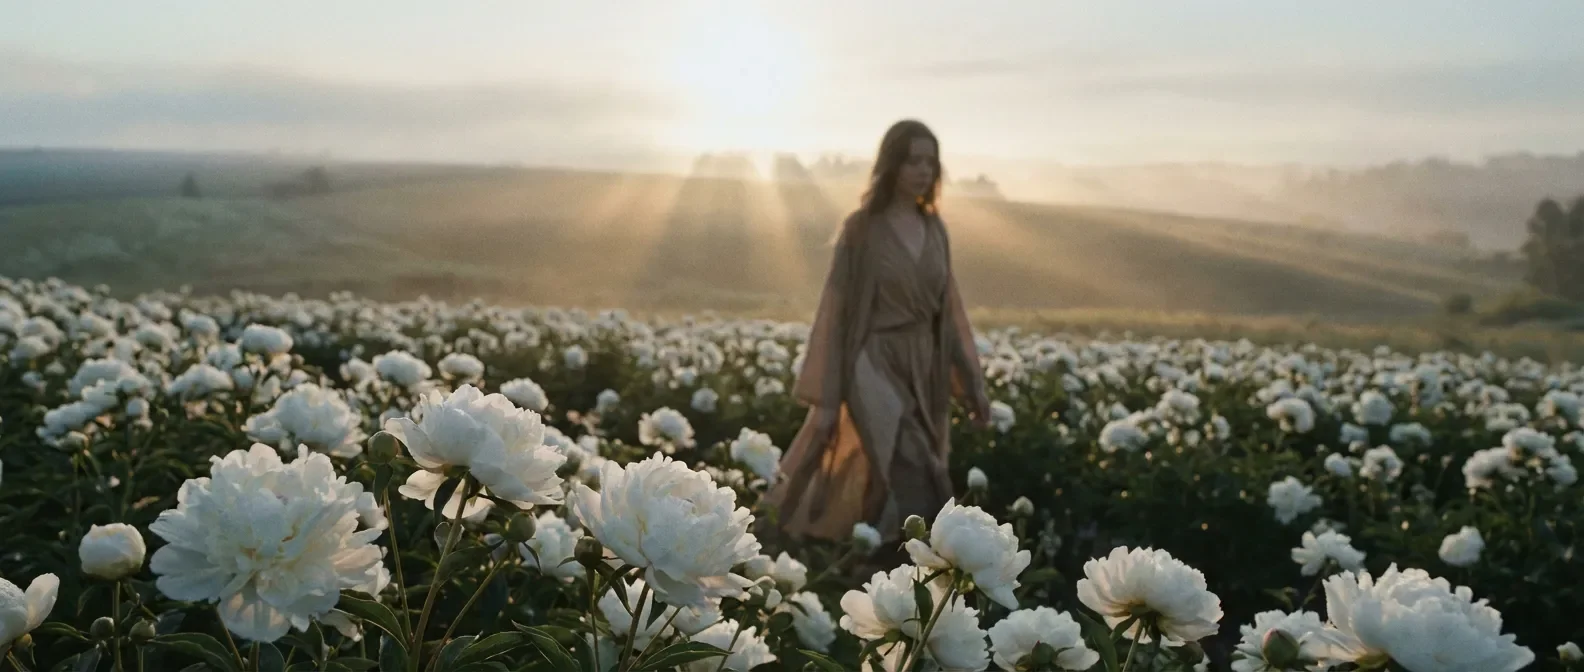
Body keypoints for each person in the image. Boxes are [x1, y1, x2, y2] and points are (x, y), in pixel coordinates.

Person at [765, 119, 991, 548]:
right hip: (872, 360)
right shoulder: (862, 228)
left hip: (924, 365)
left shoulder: (935, 229)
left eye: (930, 162)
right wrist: (829, 400)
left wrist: (973, 386)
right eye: (912, 161)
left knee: (893, 469)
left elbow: (950, 314)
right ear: (891, 165)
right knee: (912, 462)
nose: (923, 171)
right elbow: (836, 314)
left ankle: (865, 562)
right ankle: (893, 558)